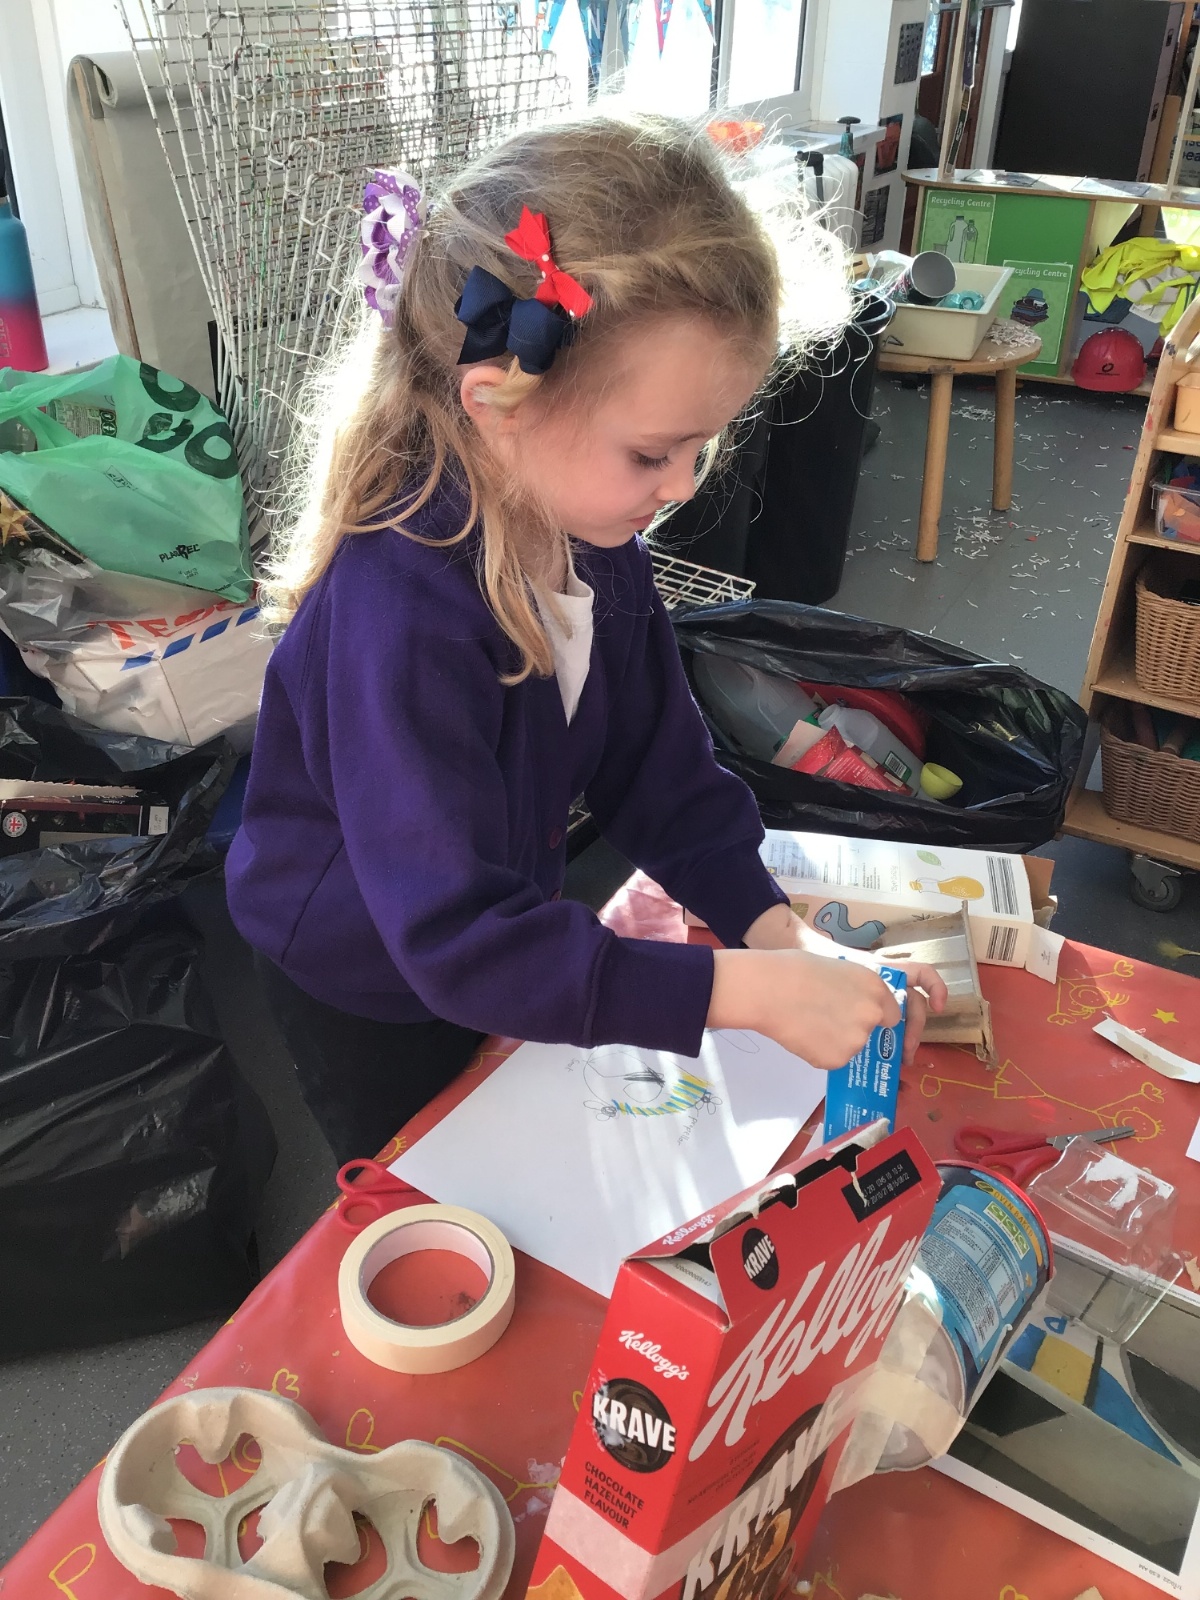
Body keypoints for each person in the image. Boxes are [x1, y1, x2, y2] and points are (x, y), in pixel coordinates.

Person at [226, 114, 945, 1164]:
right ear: (498, 404)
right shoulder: (400, 614)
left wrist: (782, 937)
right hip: (369, 974)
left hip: (490, 923)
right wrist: (743, 993)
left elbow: (660, 774)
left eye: (703, 446)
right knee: (436, 1181)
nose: (683, 486)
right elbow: (459, 942)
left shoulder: (594, 534)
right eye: (654, 453)